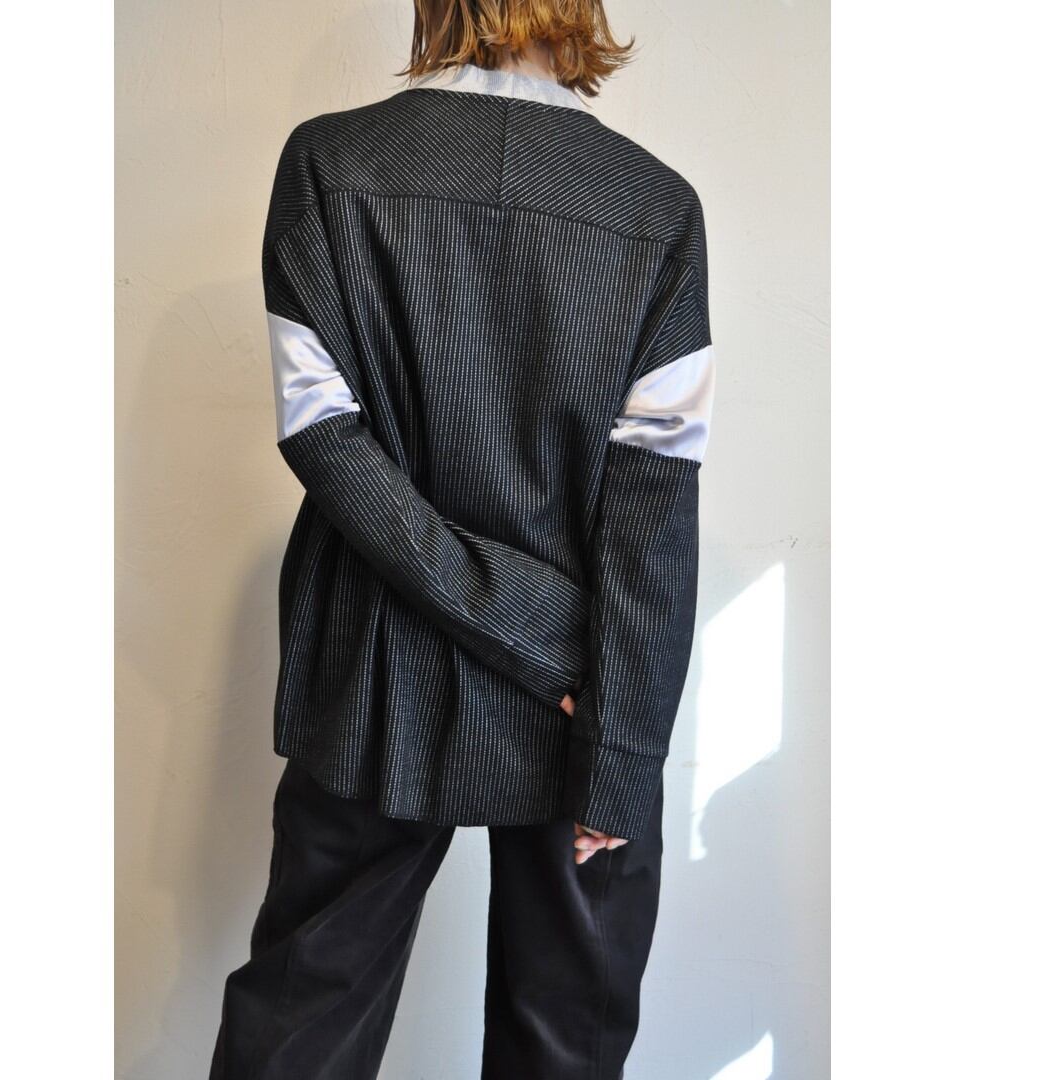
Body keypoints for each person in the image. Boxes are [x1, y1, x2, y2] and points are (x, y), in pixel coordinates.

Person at [209, 2, 714, 1076]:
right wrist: (614, 732)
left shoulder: (329, 164)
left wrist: (522, 627)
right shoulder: (656, 207)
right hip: (587, 683)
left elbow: (325, 436)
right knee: (565, 1042)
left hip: (376, 669)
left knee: (303, 1024)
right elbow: (653, 510)